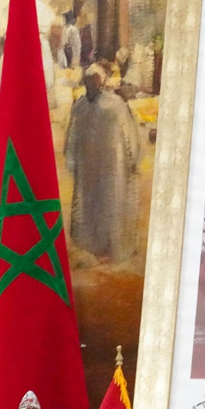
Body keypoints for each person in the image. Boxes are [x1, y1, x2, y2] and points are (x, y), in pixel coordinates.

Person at [64, 64, 142, 261]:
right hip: (88, 167)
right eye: (88, 81)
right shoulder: (80, 107)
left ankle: (113, 248)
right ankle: (93, 247)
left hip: (113, 166)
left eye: (95, 80)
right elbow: (72, 138)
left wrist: (133, 158)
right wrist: (72, 161)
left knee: (111, 204)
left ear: (101, 81)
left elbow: (130, 134)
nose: (92, 84)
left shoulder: (116, 105)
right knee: (90, 207)